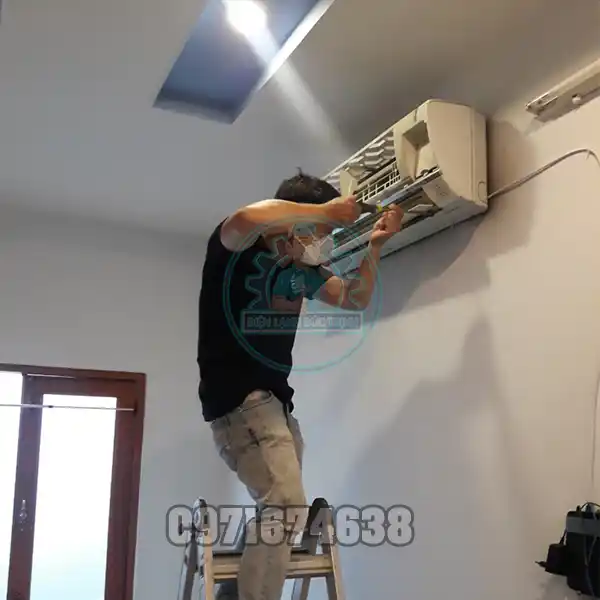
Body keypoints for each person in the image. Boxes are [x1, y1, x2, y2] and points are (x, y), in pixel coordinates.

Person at [197, 171, 403, 599]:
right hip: (240, 402)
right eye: (319, 232)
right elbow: (247, 216)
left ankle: (234, 593)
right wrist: (325, 212)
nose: (321, 243)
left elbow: (356, 297)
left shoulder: (299, 271)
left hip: (275, 405)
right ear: (293, 223)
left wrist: (375, 247)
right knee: (286, 505)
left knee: (278, 510)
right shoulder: (239, 250)